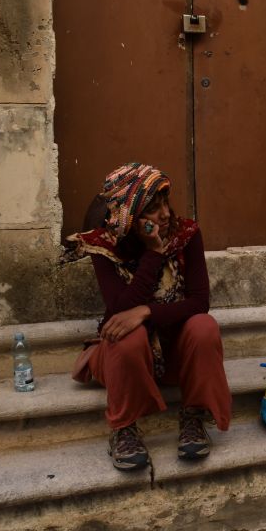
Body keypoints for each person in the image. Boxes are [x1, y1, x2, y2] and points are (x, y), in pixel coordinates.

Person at [65, 163, 232, 471]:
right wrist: (154, 254)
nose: (165, 214)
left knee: (203, 327)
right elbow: (119, 308)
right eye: (153, 209)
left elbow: (199, 302)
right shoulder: (104, 247)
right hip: (127, 356)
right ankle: (124, 429)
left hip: (174, 353)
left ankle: (193, 415)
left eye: (165, 203)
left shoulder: (187, 235)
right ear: (130, 217)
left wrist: (146, 311)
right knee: (127, 334)